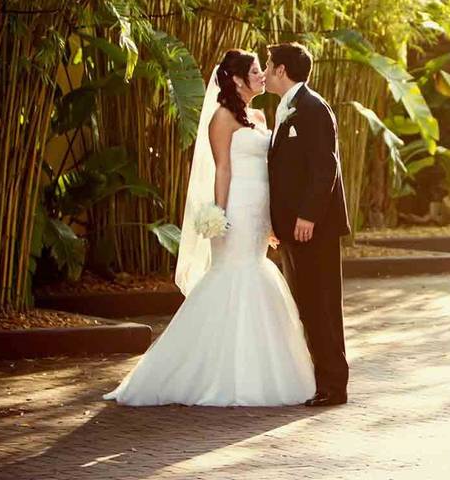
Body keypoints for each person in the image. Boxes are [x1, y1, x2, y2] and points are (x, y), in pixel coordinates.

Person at [103, 49, 315, 407]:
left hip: (260, 207)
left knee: (255, 272)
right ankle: (204, 372)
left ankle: (256, 369)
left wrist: (272, 220)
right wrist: (219, 212)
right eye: (254, 71)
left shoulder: (262, 116)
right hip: (237, 206)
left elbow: (272, 170)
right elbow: (223, 169)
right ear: (236, 80)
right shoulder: (222, 118)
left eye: (262, 70)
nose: (261, 75)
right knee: (233, 275)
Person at [265, 42, 351, 407]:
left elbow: (324, 166)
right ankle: (323, 381)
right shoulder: (287, 108)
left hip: (314, 227)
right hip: (293, 228)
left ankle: (334, 386)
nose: (265, 73)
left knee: (323, 305)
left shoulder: (314, 108)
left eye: (268, 66)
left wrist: (308, 215)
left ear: (283, 70)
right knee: (308, 304)